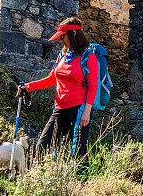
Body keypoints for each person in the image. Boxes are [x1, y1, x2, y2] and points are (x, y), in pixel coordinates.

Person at [17, 17, 97, 158]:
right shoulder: (62, 56)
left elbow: (93, 86)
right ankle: (39, 176)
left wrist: (87, 111)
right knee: (42, 145)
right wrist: (30, 86)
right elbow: (51, 79)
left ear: (73, 35)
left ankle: (81, 179)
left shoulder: (88, 57)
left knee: (79, 151)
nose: (60, 41)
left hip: (79, 109)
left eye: (63, 37)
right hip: (60, 108)